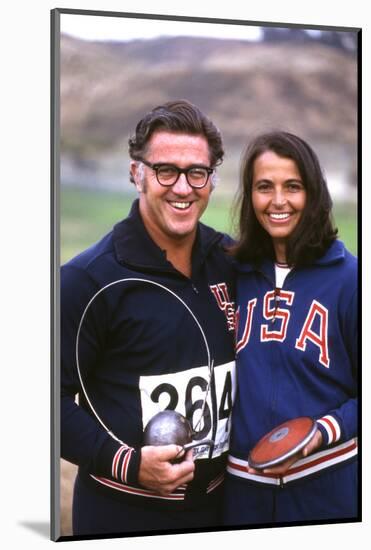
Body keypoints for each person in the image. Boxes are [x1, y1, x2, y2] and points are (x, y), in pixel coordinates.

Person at [61, 100, 237, 537]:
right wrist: (128, 464)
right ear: (135, 173)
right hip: (122, 517)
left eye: (197, 172)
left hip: (225, 511)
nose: (183, 187)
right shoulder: (87, 279)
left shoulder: (231, 261)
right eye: (166, 171)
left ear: (212, 179)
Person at [224, 131, 358, 525]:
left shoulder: (350, 279)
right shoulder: (234, 273)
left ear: (313, 193)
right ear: (250, 197)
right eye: (264, 187)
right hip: (241, 496)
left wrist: (322, 431)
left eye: (293, 187)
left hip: (326, 489)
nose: (278, 201)